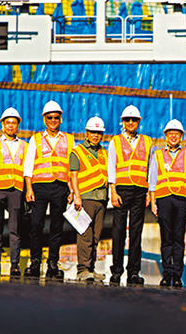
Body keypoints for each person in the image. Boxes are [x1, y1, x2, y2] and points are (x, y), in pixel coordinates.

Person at [24, 100, 76, 280]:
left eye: (56, 117)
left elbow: (72, 167)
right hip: (39, 187)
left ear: (60, 118)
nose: (53, 120)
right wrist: (29, 189)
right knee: (36, 225)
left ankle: (53, 263)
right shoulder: (35, 139)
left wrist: (71, 190)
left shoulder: (69, 139)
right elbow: (28, 166)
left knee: (57, 226)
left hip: (60, 187)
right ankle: (35, 262)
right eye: (49, 117)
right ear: (44, 119)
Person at [108, 105, 152, 286]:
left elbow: (151, 169)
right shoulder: (115, 141)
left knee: (136, 232)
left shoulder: (147, 141)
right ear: (123, 122)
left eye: (134, 120)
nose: (131, 123)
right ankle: (116, 271)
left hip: (140, 190)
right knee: (118, 231)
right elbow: (111, 166)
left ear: (139, 122)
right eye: (127, 120)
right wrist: (113, 190)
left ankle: (133, 272)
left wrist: (150, 192)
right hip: (122, 190)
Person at [149, 119, 186, 288]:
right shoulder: (158, 155)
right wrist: (153, 202)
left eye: (177, 133)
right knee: (166, 238)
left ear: (181, 136)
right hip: (164, 199)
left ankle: (177, 276)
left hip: (182, 200)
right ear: (166, 136)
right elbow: (152, 180)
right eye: (170, 133)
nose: (173, 136)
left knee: (178, 239)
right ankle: (167, 273)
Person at [0, 108, 26, 277]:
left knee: (15, 229)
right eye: (8, 122)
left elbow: (27, 170)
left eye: (14, 122)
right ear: (2, 124)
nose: (11, 125)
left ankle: (14, 264)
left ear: (18, 125)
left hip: (16, 190)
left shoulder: (25, 145)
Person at [71, 116, 109, 283]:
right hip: (85, 198)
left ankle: (91, 269)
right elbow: (73, 175)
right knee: (85, 234)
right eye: (93, 132)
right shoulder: (77, 151)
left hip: (101, 198)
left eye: (99, 132)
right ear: (86, 132)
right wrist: (76, 196)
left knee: (95, 236)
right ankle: (82, 269)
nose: (96, 135)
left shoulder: (104, 152)